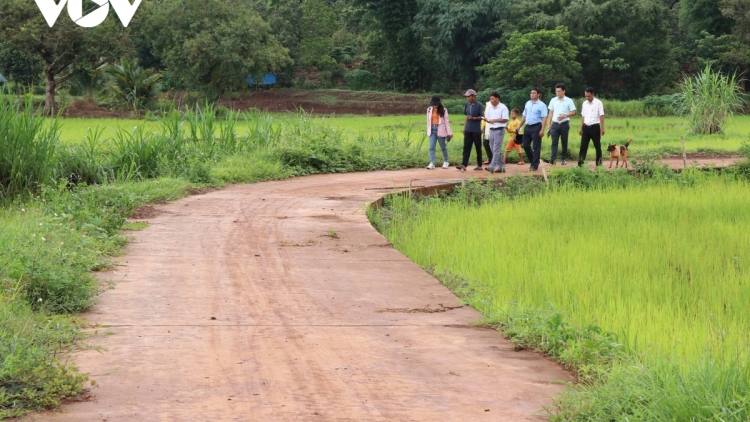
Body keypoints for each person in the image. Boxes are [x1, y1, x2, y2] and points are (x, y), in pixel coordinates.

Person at [518, 87, 548, 171]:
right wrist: (519, 125)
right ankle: (534, 161)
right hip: (527, 126)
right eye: (531, 93)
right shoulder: (528, 103)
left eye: (534, 93)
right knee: (525, 145)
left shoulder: (542, 105)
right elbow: (524, 115)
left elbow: (544, 118)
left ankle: (534, 165)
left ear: (538, 94)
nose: (532, 94)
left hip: (536, 126)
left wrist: (542, 129)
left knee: (536, 146)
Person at [546, 83, 576, 165]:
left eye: (559, 91)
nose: (557, 93)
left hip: (564, 124)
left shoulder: (569, 101)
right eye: (556, 91)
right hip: (555, 124)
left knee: (564, 141)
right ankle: (553, 159)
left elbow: (573, 112)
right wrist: (549, 123)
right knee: (554, 142)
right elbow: (550, 112)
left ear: (564, 91)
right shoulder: (553, 100)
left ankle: (563, 159)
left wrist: (565, 115)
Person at [457, 89, 484, 171]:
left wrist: (474, 118)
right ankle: (464, 164)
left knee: (478, 147)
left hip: (476, 130)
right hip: (468, 129)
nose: (467, 98)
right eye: (467, 97)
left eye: (469, 96)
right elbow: (467, 117)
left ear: (473, 96)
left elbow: (482, 117)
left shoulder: (479, 105)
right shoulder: (467, 105)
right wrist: (464, 128)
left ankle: (479, 165)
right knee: (466, 147)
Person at [578, 87, 606, 167]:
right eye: (586, 96)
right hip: (586, 127)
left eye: (588, 96)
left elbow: (601, 116)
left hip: (595, 127)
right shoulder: (584, 103)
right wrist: (581, 128)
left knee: (597, 146)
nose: (587, 98)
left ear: (593, 94)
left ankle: (599, 164)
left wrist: (602, 128)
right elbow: (583, 116)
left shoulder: (598, 103)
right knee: (583, 146)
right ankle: (580, 164)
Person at [483, 91, 509, 173]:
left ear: (497, 99)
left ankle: (492, 166)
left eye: (492, 99)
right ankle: (501, 167)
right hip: (492, 130)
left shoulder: (503, 107)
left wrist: (495, 120)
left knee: (496, 149)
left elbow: (505, 119)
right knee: (493, 149)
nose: (491, 100)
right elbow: (489, 118)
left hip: (499, 130)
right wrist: (487, 120)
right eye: (490, 99)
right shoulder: (490, 108)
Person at [425, 95, 452, 169]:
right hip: (432, 130)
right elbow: (428, 121)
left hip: (440, 129)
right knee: (431, 147)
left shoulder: (444, 110)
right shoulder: (429, 110)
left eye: (436, 104)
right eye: (434, 104)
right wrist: (428, 130)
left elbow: (446, 122)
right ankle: (432, 163)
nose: (435, 106)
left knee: (443, 147)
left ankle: (446, 162)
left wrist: (449, 133)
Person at [481, 100, 493, 165]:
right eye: (491, 98)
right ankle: (490, 158)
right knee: (485, 143)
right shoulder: (488, 105)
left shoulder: (499, 107)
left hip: (494, 127)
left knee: (494, 144)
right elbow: (485, 116)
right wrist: (483, 126)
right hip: (487, 128)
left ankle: (496, 159)